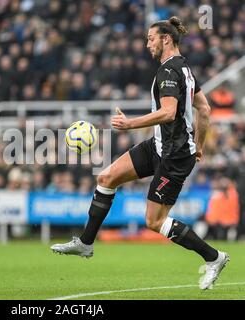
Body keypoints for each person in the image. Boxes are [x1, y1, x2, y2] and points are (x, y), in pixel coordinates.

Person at [51, 17, 229, 290]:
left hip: (174, 155)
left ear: (166, 39)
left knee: (154, 221)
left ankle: (214, 257)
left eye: (151, 38)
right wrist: (200, 144)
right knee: (107, 177)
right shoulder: (185, 69)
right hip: (160, 146)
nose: (147, 44)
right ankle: (86, 243)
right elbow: (204, 109)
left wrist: (129, 124)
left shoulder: (169, 72)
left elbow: (169, 113)